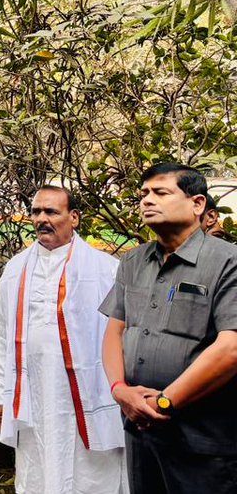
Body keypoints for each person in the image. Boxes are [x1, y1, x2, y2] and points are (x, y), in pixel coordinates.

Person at [101, 162, 237, 494]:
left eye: (161, 192)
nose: (147, 200)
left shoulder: (227, 261)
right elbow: (114, 332)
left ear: (198, 204)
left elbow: (231, 349)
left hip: (202, 440)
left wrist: (164, 402)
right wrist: (119, 389)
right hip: (141, 433)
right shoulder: (133, 262)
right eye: (144, 194)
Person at [0, 182, 126, 493]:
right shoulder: (15, 271)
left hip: (88, 390)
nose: (41, 218)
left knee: (90, 469)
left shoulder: (107, 270)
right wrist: (2, 396)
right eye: (36, 212)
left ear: (74, 217)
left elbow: (121, 337)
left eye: (51, 211)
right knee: (38, 463)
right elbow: (5, 340)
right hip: (34, 391)